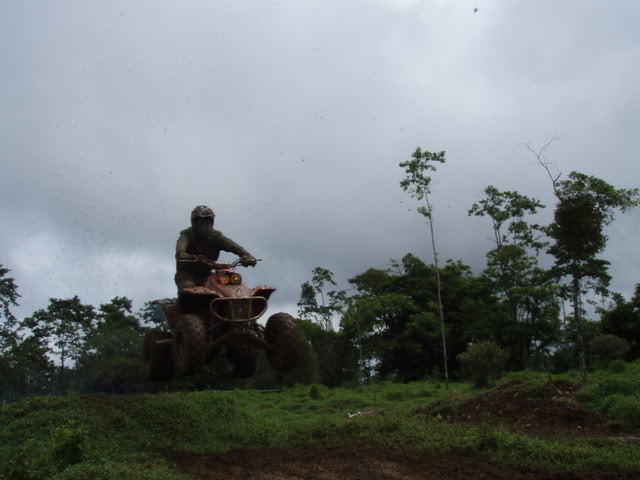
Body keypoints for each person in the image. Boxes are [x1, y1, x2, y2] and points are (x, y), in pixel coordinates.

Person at [174, 205, 257, 290]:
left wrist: (246, 255)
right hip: (187, 274)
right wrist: (182, 253)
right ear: (195, 222)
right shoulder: (187, 234)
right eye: (203, 220)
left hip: (207, 273)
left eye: (209, 220)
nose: (207, 222)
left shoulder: (216, 236)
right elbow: (181, 245)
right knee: (188, 287)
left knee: (226, 285)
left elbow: (233, 246)